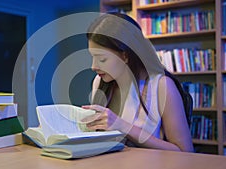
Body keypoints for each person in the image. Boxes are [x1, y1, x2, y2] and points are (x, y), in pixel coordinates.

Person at [81, 12, 194, 152]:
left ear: (125, 55)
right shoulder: (99, 82)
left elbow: (185, 152)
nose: (93, 66)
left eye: (102, 59)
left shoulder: (162, 86)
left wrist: (123, 126)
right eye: (93, 57)